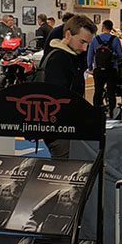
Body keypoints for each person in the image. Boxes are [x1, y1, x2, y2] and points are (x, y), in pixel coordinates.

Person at [36, 15, 97, 158]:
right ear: (68, 34)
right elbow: (57, 98)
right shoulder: (58, 59)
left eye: (88, 44)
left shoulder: (69, 56)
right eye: (82, 42)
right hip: (60, 128)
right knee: (65, 166)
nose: (84, 48)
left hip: (66, 127)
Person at [86, 19, 122, 117]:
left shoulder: (95, 39)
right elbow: (120, 55)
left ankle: (96, 113)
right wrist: (113, 58)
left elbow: (90, 55)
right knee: (111, 92)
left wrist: (90, 67)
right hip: (112, 69)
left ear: (103, 27)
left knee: (98, 91)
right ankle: (112, 113)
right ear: (111, 28)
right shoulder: (115, 39)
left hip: (98, 69)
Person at [0, 14, 23, 92]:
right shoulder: (10, 30)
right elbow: (15, 42)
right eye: (9, 20)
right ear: (6, 21)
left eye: (12, 20)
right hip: (7, 53)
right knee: (7, 70)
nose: (11, 22)